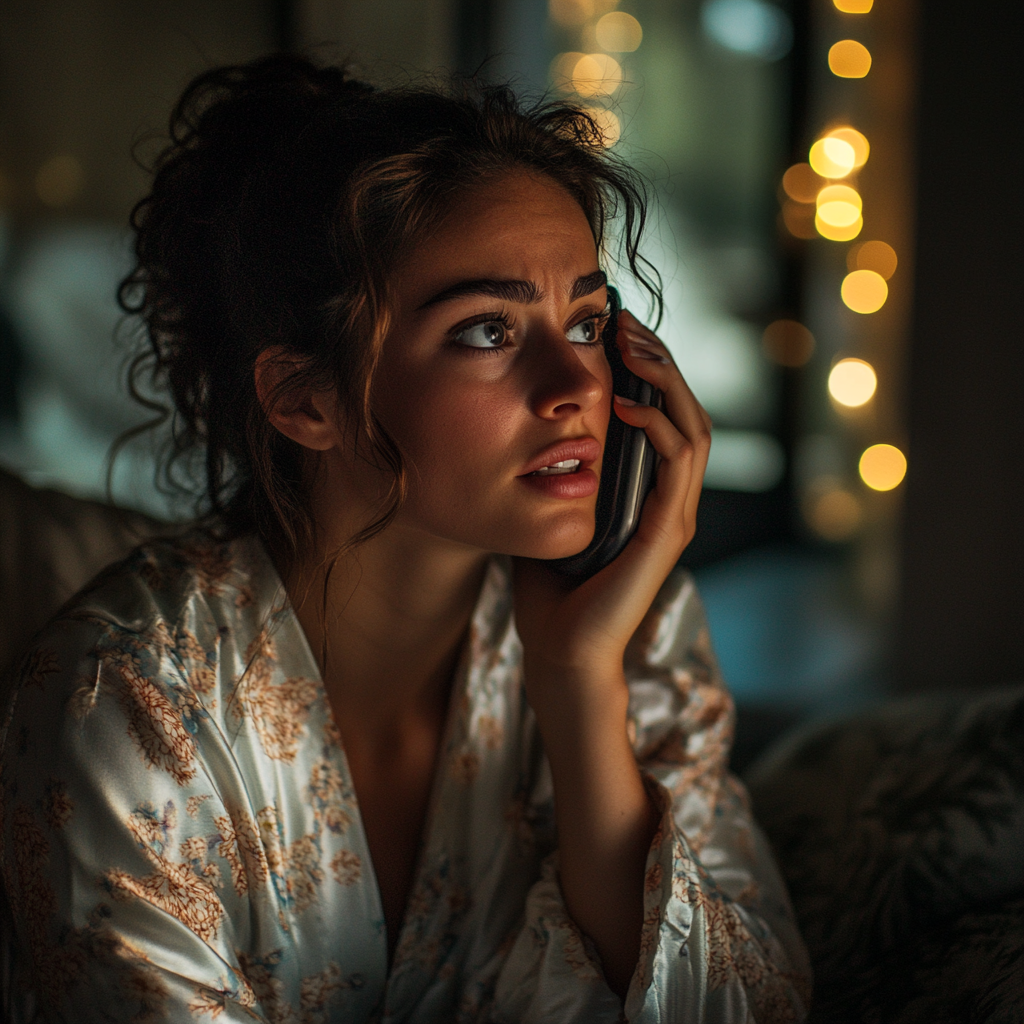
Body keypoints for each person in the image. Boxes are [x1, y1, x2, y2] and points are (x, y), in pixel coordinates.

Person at [0, 55, 810, 1023]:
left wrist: (578, 682)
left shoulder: (634, 622)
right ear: (306, 398)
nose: (577, 386)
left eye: (587, 321)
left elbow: (750, 1006)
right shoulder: (126, 704)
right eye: (487, 332)